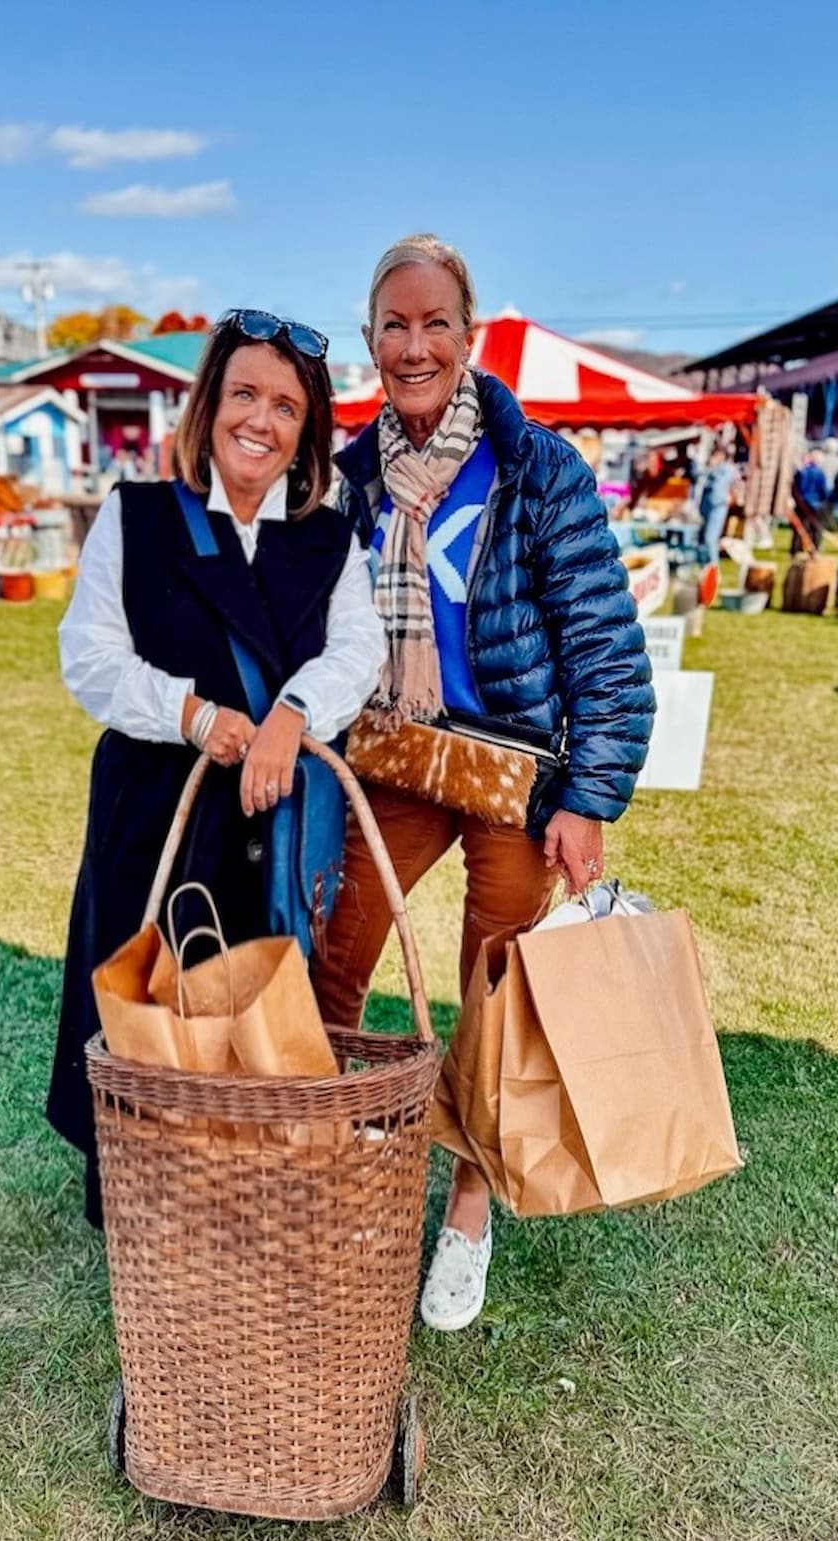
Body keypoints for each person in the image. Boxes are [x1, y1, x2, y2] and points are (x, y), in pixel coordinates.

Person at [313, 234, 656, 1332]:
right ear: (371, 341)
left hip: (514, 770)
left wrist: (590, 798)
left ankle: (468, 1200)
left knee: (495, 990)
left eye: (435, 324)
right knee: (338, 937)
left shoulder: (536, 465)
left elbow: (604, 641)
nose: (415, 345)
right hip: (402, 755)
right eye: (394, 326)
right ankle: (324, 1141)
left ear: (470, 337)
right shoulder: (350, 477)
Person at [48, 309, 385, 1226]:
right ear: (209, 405)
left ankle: (241, 1210)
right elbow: (91, 655)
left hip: (269, 826)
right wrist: (191, 715)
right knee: (143, 1009)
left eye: (285, 406)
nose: (261, 420)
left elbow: (359, 652)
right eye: (244, 393)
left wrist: (291, 716)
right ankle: (142, 1223)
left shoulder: (328, 541)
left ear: (307, 431)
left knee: (254, 1013)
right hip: (154, 813)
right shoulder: (138, 516)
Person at [697, 445, 736, 560]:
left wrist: (713, 467)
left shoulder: (726, 469)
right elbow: (699, 475)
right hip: (706, 505)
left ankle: (714, 567)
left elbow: (718, 485)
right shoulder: (712, 469)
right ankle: (705, 565)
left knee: (710, 538)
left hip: (718, 506)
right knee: (703, 539)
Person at [792, 448, 830, 551]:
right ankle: (815, 548)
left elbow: (796, 487)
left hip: (802, 502)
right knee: (816, 528)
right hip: (816, 503)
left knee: (800, 527)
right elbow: (823, 490)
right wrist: (822, 500)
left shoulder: (802, 472)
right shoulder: (820, 473)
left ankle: (796, 548)